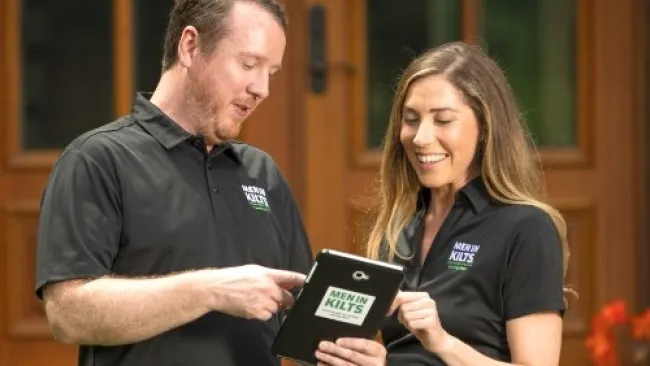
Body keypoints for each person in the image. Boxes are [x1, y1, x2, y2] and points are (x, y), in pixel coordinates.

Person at [34, 1, 313, 365]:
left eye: (271, 72)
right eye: (248, 64)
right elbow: (67, 315)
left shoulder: (263, 173)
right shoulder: (98, 159)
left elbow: (307, 317)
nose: (262, 88)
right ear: (190, 46)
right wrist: (210, 290)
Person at [314, 41, 570, 366]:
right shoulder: (398, 228)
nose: (421, 137)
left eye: (443, 120)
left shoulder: (526, 228)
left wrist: (443, 343)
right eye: (411, 119)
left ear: (485, 128)